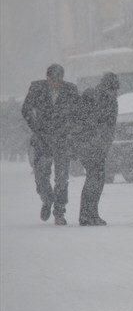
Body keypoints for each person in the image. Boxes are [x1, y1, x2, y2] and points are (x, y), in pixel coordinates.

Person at [22, 64, 81, 225]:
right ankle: (47, 199)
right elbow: (26, 109)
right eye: (52, 80)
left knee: (62, 178)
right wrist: (36, 128)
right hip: (43, 139)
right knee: (41, 175)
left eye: (59, 79)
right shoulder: (37, 88)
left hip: (63, 140)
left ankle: (60, 211)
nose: (55, 83)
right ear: (47, 78)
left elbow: (78, 114)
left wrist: (72, 132)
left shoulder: (70, 90)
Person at [71, 72, 119, 226]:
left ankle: (86, 214)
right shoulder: (110, 99)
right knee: (96, 178)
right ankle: (90, 214)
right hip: (96, 146)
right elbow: (108, 125)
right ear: (114, 87)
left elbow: (77, 118)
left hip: (82, 144)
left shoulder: (88, 94)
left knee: (91, 177)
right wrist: (103, 145)